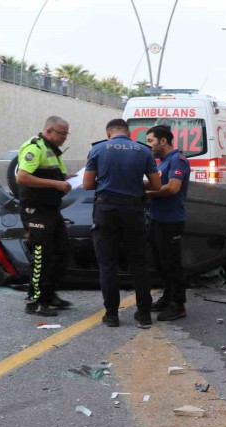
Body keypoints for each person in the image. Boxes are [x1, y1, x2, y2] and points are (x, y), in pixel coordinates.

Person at [84, 119, 162, 328]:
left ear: (108, 134)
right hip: (133, 210)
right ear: (129, 134)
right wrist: (135, 183)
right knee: (138, 263)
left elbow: (87, 184)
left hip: (105, 210)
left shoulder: (98, 149)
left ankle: (111, 315)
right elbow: (156, 185)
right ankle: (144, 314)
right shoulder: (143, 150)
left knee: (107, 263)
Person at [16, 116, 74, 317]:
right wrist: (56, 184)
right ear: (49, 131)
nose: (64, 138)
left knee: (62, 252)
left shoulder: (52, 151)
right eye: (62, 134)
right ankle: (36, 300)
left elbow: (49, 174)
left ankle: (49, 294)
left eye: (66, 134)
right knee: (41, 255)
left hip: (51, 210)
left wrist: (66, 178)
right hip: (36, 210)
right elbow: (22, 177)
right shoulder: (35, 147)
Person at [145, 125, 191, 321]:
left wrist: (147, 193)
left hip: (171, 221)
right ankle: (167, 297)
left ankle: (178, 305)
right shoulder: (162, 162)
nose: (148, 145)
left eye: (150, 141)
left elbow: (172, 188)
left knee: (172, 264)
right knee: (160, 263)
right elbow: (156, 184)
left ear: (163, 141)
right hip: (156, 218)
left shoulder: (177, 160)